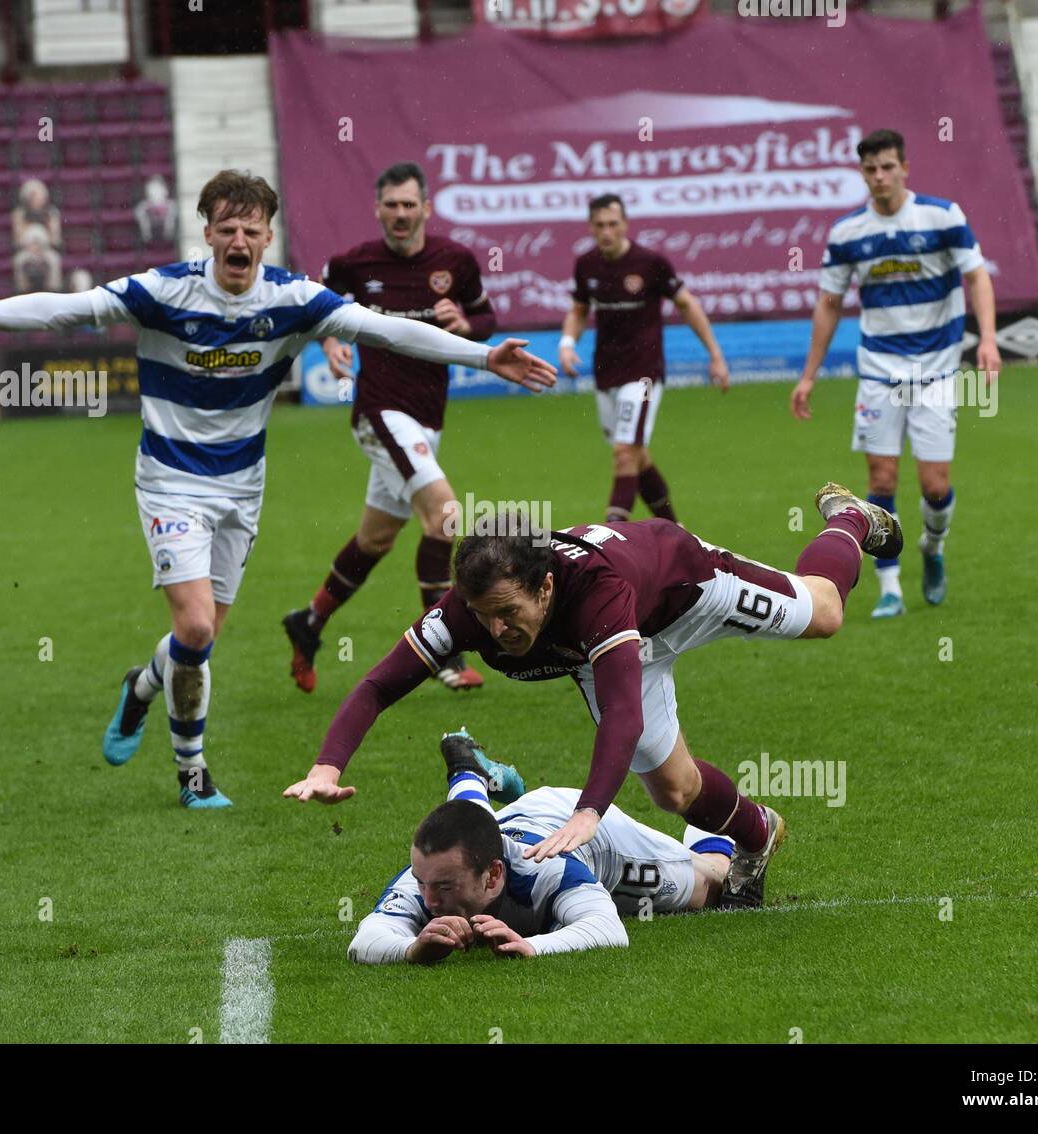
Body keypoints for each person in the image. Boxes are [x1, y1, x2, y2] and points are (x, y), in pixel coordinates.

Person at [0, 169, 555, 810]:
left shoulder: (291, 300)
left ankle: (140, 687)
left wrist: (480, 354)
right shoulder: (164, 292)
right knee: (197, 625)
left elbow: (384, 329)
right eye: (227, 228)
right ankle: (193, 774)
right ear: (206, 233)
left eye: (252, 230)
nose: (240, 241)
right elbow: (67, 311)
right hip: (171, 481)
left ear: (268, 238)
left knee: (197, 643)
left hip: (243, 490)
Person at [286, 484, 900, 905]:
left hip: (690, 591)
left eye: (507, 613)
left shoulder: (595, 592)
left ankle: (849, 519)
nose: (495, 631)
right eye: (482, 615)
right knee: (674, 791)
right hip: (605, 650)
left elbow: (623, 716)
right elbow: (377, 684)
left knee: (823, 612)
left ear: (547, 587)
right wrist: (326, 765)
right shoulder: (468, 613)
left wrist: (589, 810)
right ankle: (757, 832)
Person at [283, 161, 500, 694]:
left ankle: (308, 622)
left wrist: (466, 326)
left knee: (376, 539)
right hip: (379, 411)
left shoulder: (455, 261)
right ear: (378, 209)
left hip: (428, 413)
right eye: (392, 205)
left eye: (410, 205)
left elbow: (486, 318)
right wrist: (329, 340)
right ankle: (443, 651)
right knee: (446, 517)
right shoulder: (357, 264)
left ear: (426, 208)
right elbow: (313, 306)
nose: (401, 214)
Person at [789, 128, 1001, 617]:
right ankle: (890, 588)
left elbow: (976, 276)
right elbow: (828, 303)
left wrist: (987, 338)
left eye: (887, 166)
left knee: (934, 485)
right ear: (862, 174)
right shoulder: (848, 234)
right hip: (879, 374)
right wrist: (809, 375)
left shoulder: (942, 216)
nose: (879, 176)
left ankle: (932, 547)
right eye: (870, 169)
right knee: (881, 477)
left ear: (905, 167)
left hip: (938, 373)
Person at [348, 729, 742, 964]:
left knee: (712, 886)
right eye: (422, 883)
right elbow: (366, 938)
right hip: (503, 827)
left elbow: (608, 929)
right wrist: (412, 950)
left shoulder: (547, 869)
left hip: (586, 835)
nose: (428, 899)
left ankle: (723, 820)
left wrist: (533, 945)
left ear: (494, 876)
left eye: (445, 888)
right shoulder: (432, 874)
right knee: (470, 829)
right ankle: (470, 772)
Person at [559, 193, 730, 525]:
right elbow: (579, 309)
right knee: (637, 456)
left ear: (625, 224)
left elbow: (686, 304)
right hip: (605, 373)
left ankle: (610, 537)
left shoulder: (650, 263)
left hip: (644, 375)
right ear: (591, 227)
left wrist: (715, 355)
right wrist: (567, 343)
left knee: (624, 454)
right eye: (600, 225)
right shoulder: (587, 264)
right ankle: (675, 531)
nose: (607, 231)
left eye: (613, 224)